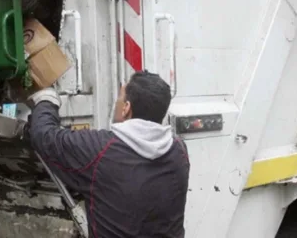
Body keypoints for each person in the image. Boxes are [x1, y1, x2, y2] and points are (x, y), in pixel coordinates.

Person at [27, 70, 190, 238]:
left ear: (126, 108)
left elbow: (44, 136)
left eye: (119, 99)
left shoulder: (101, 151)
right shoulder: (179, 151)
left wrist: (47, 99)